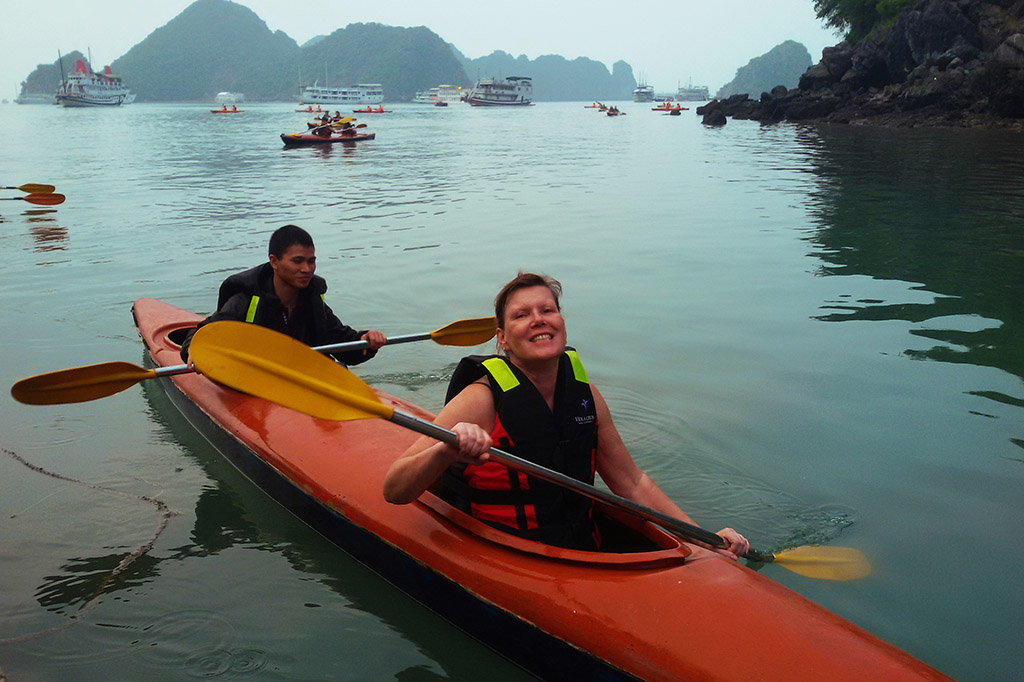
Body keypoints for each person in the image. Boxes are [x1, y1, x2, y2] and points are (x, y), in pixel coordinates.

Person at [383, 272, 750, 557]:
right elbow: (395, 489)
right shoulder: (480, 400)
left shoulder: (585, 397)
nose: (538, 320)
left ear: (561, 322)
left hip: (583, 548)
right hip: (508, 550)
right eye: (522, 315)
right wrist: (446, 449)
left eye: (547, 310)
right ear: (503, 338)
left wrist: (705, 540)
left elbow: (632, 483)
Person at [179, 224, 386, 365]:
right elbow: (201, 335)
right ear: (274, 261)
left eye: (311, 261)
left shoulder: (312, 299)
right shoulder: (245, 300)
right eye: (298, 261)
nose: (307, 269)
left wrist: (366, 340)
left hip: (300, 380)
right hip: (255, 381)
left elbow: (341, 342)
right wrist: (196, 353)